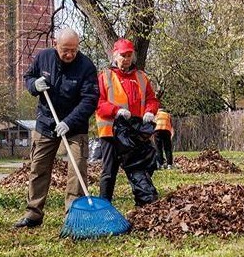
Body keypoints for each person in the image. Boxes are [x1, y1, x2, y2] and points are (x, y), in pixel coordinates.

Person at [13, 28, 100, 229]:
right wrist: (34, 85)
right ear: (55, 44)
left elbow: (90, 100)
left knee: (77, 168)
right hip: (46, 121)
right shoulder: (43, 57)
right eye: (65, 50)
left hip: (75, 125)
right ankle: (33, 214)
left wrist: (68, 122)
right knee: (38, 167)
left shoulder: (86, 66)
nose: (70, 54)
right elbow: (28, 76)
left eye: (74, 50)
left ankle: (73, 215)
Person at [96, 38, 160, 207]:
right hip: (110, 132)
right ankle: (104, 205)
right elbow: (98, 103)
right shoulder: (105, 76)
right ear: (115, 56)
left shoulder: (141, 77)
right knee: (109, 171)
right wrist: (115, 111)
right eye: (123, 55)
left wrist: (149, 111)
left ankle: (143, 202)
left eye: (129, 55)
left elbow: (152, 99)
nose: (126, 59)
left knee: (141, 166)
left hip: (134, 133)